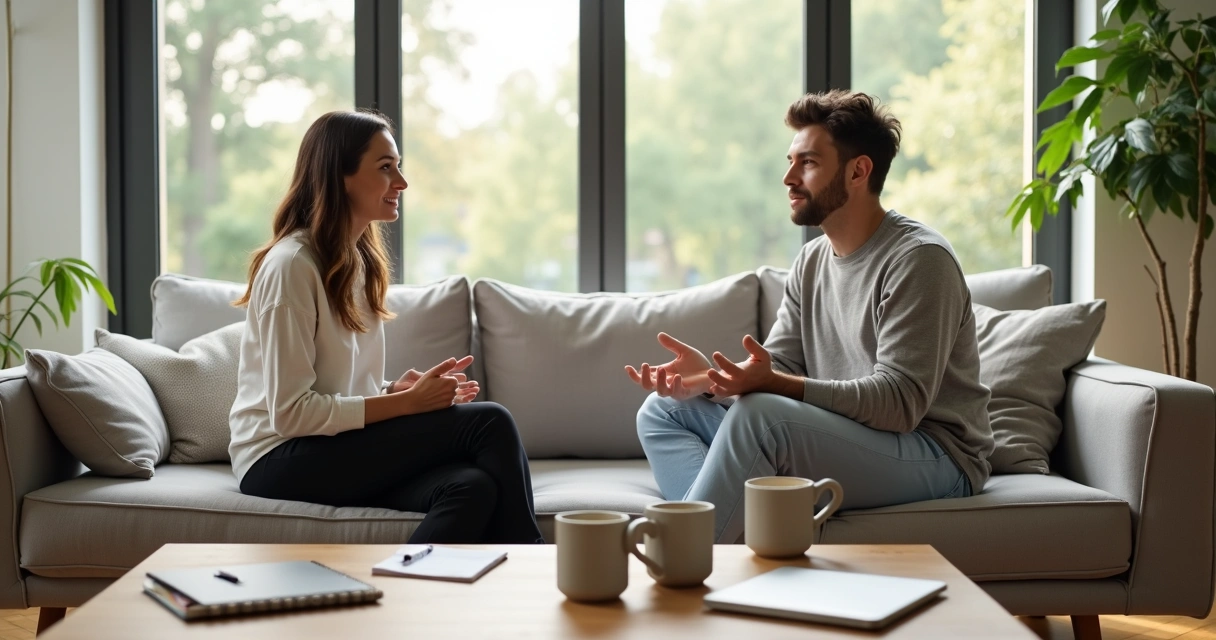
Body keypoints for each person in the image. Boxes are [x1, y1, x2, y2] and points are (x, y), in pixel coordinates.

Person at [625, 90, 994, 543]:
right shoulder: (812, 260)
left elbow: (899, 405)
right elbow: (783, 366)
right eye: (791, 160)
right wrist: (710, 379)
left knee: (763, 417)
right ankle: (721, 543)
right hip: (852, 436)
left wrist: (771, 385)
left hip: (936, 454)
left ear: (858, 171)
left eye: (808, 163)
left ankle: (684, 560)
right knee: (664, 409)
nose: (788, 177)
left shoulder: (919, 259)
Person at [229, 109, 543, 544]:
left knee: (472, 488)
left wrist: (391, 391)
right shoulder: (292, 267)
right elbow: (290, 413)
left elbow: (339, 388)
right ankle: (539, 581)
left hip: (328, 445)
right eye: (385, 167)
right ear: (340, 176)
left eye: (398, 166)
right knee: (488, 423)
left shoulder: (355, 261)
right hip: (275, 457)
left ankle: (393, 600)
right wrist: (405, 405)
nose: (402, 182)